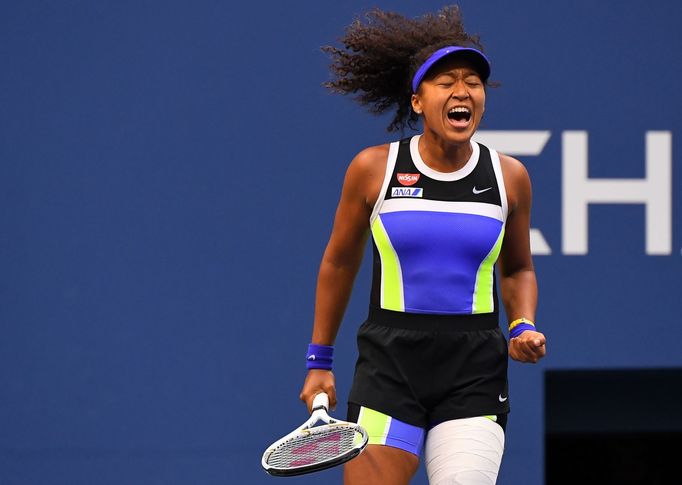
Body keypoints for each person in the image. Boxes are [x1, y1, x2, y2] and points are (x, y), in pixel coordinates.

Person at [299, 6, 547, 485]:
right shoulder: (374, 168)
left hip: (473, 371)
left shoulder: (509, 176)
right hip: (388, 368)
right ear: (417, 101)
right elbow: (338, 263)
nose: (462, 91)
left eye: (473, 82)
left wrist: (521, 325)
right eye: (446, 81)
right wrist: (319, 362)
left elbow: (517, 269)